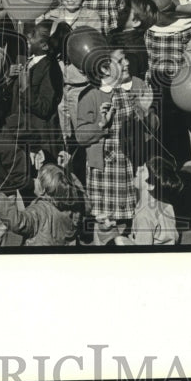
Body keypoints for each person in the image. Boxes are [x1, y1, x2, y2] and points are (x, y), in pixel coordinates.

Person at [74, 47, 153, 245]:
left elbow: (150, 130)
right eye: (119, 60)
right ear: (104, 70)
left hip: (129, 165)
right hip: (105, 170)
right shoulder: (90, 95)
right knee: (105, 223)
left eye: (126, 58)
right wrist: (101, 124)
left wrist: (145, 112)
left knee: (127, 220)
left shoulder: (132, 88)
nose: (126, 63)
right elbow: (81, 137)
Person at [0, 163, 83, 246]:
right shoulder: (72, 205)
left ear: (43, 190)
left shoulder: (40, 210)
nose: (33, 180)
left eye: (37, 179)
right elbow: (79, 191)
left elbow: (19, 222)